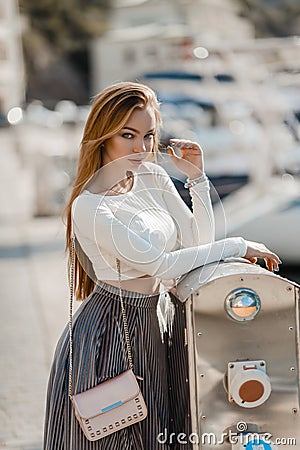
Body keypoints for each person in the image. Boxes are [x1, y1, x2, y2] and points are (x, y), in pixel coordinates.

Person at [43, 81, 280, 450]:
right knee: (113, 436)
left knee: (155, 431)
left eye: (149, 136)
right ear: (102, 135)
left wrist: (196, 179)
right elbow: (161, 264)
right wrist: (237, 246)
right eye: (128, 135)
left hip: (153, 321)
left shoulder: (151, 177)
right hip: (108, 333)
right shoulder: (89, 206)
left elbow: (196, 242)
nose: (140, 148)